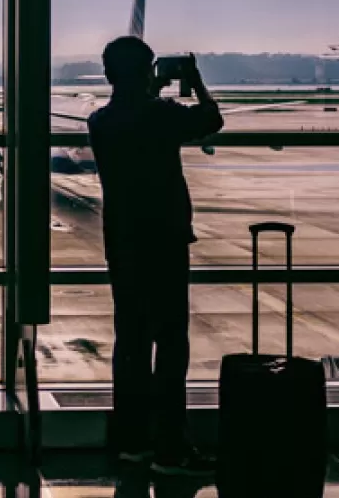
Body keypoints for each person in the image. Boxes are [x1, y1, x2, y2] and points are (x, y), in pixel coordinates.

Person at [87, 36, 223, 476]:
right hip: (164, 241)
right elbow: (211, 120)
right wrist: (195, 81)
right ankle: (171, 446)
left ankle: (131, 443)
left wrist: (150, 88)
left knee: (130, 342)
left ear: (108, 75)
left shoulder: (100, 121)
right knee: (170, 343)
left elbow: (135, 115)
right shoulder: (162, 114)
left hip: (122, 243)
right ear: (148, 72)